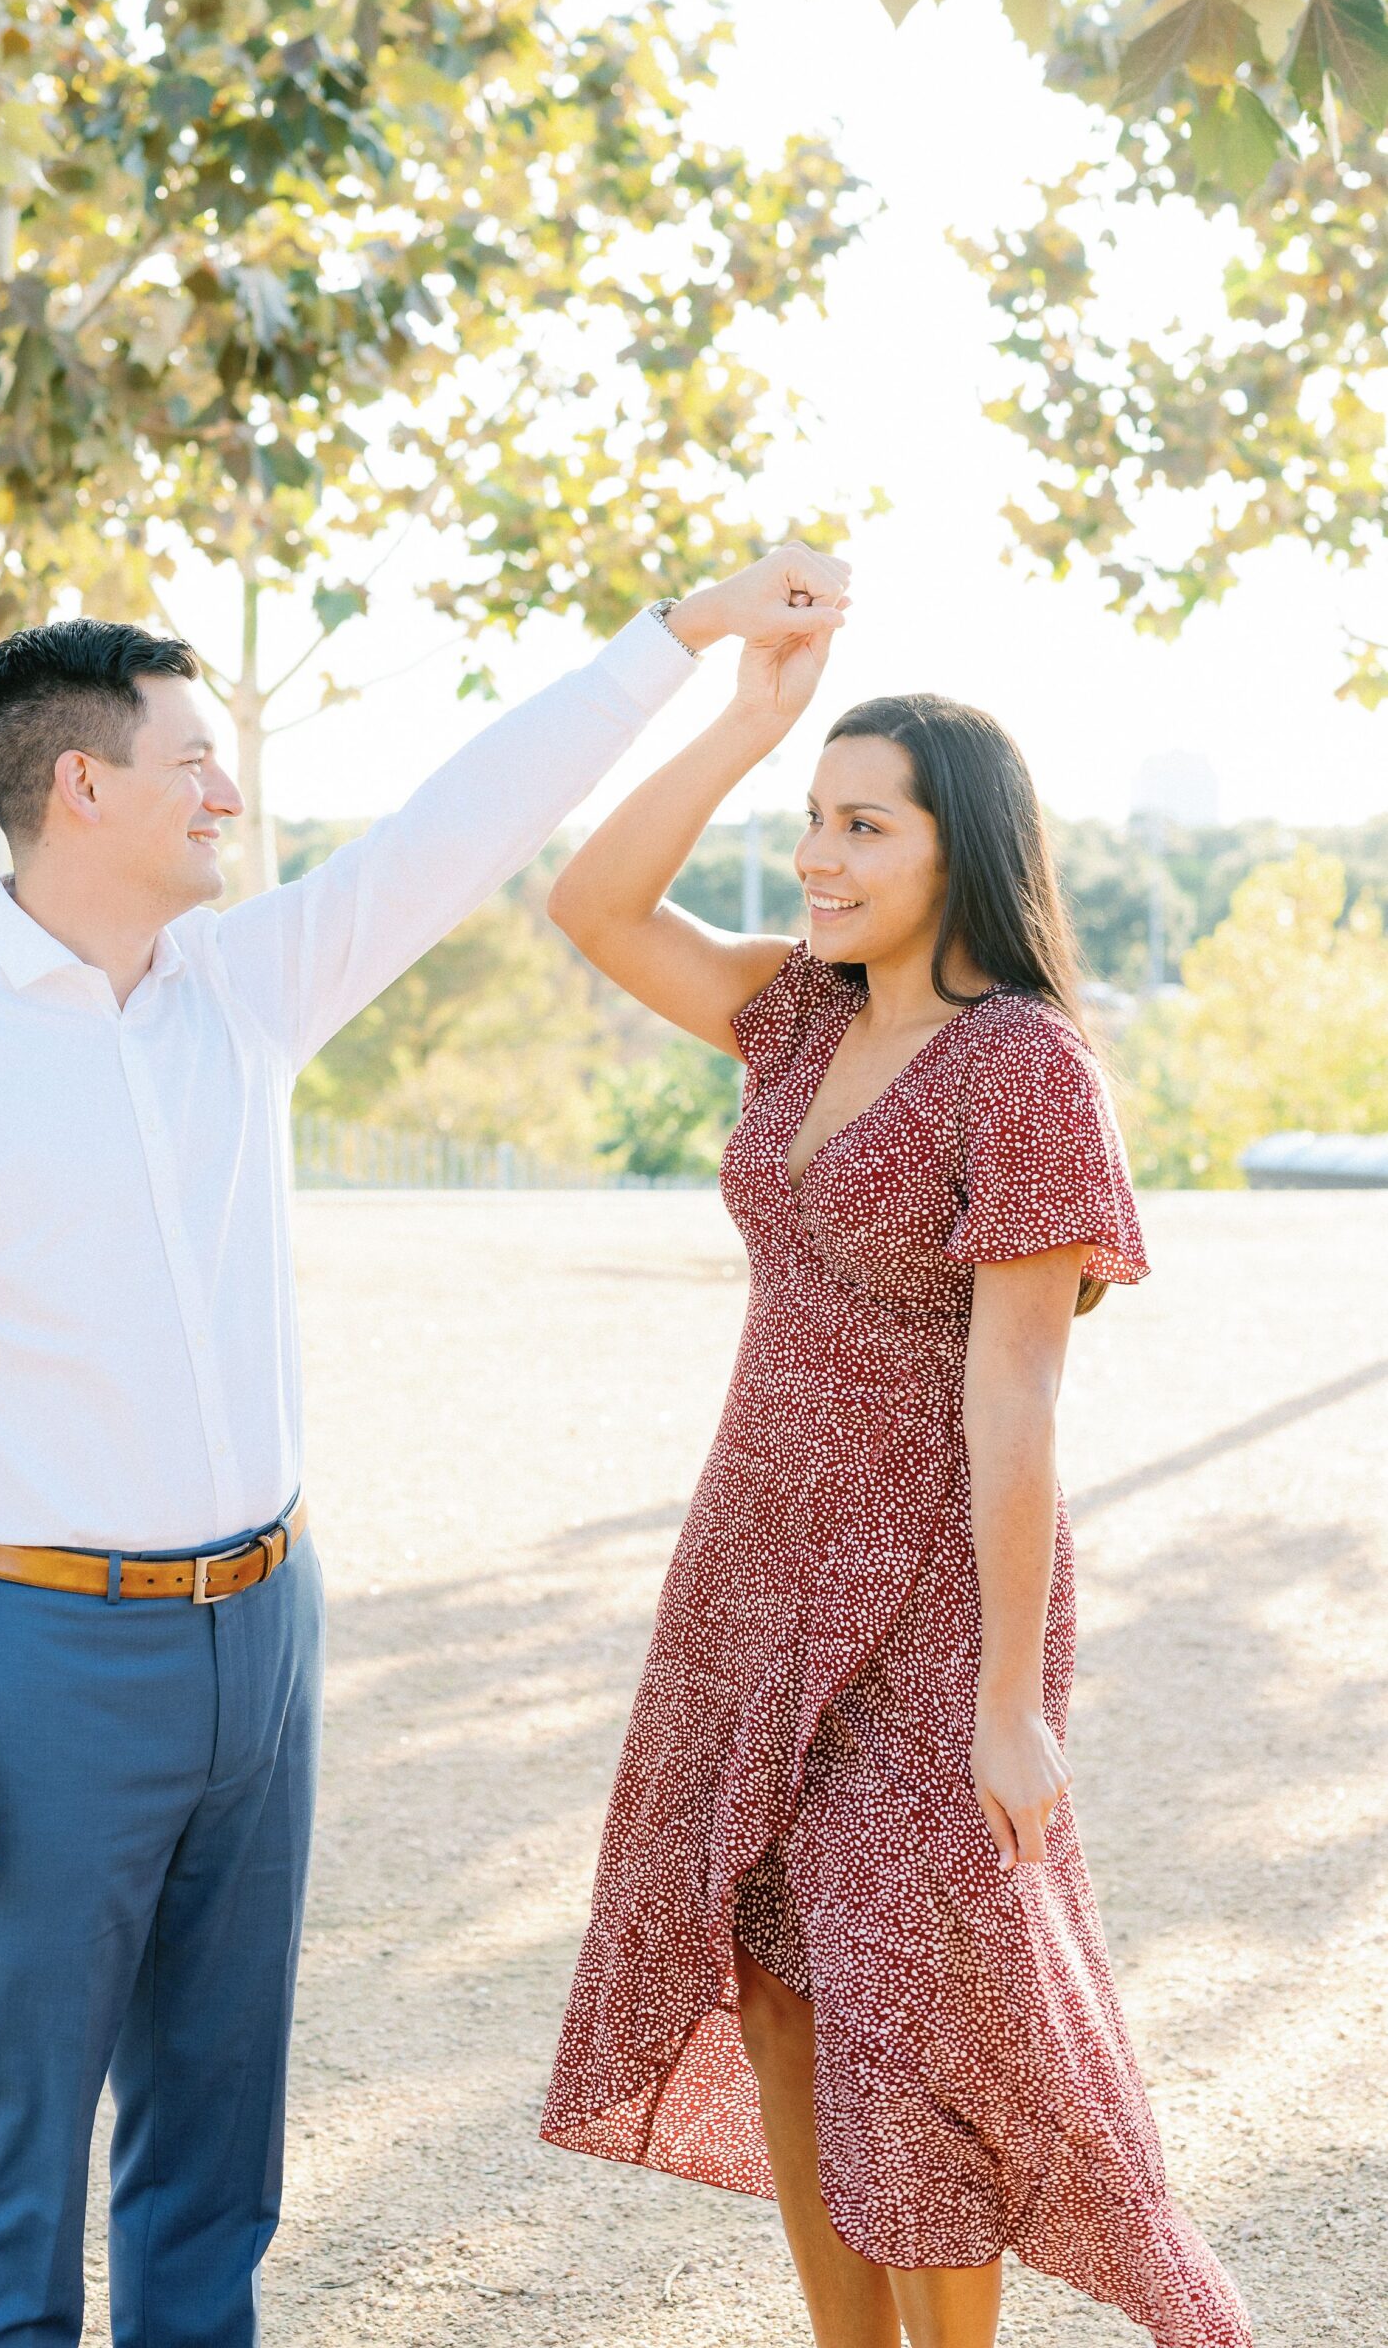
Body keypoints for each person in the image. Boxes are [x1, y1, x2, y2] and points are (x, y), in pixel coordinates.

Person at [0, 546, 846, 2348]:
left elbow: (467, 815)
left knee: (215, 2151)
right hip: (40, 1657)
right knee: (8, 2147)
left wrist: (686, 642)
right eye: (193, 756)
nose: (227, 789)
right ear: (79, 784)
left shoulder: (245, 989)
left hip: (265, 1629)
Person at [537, 607, 1254, 2348]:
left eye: (869, 823)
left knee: (914, 2011)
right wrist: (742, 717)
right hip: (749, 1570)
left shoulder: (1023, 1070)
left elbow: (1018, 1396)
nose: (821, 854)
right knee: (778, 1989)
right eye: (815, 816)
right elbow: (592, 905)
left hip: (930, 1597)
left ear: (965, 850)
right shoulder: (795, 1018)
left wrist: (1016, 1699)